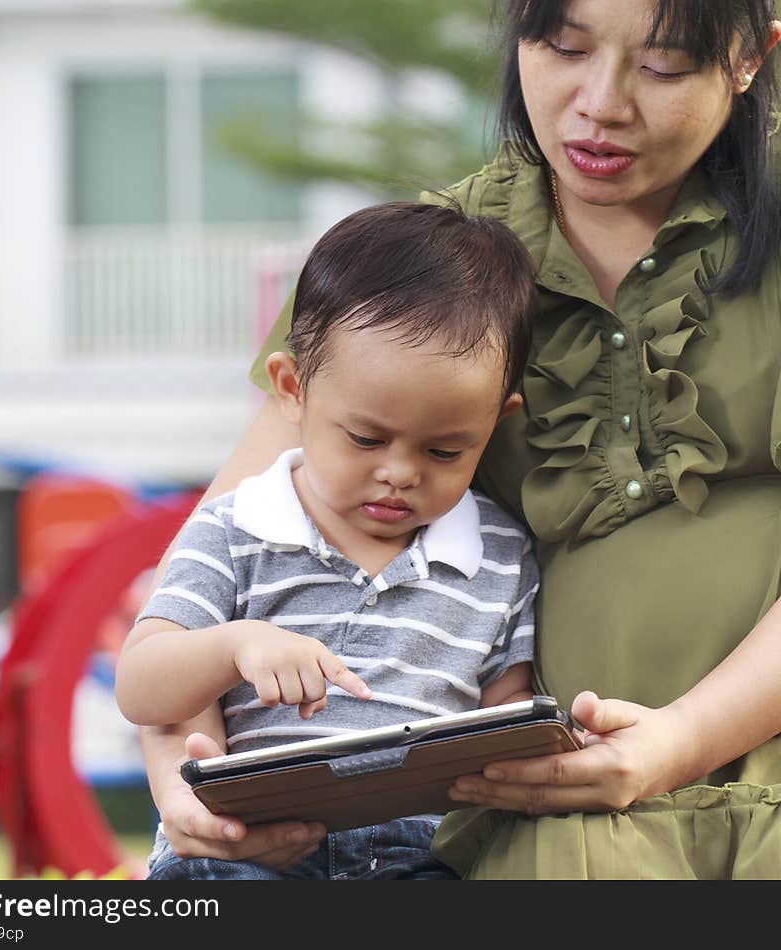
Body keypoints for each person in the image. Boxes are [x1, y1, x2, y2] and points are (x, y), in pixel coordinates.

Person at [136, 0, 781, 879]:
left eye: (663, 66)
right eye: (562, 47)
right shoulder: (414, 273)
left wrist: (680, 741)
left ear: (751, 56)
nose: (602, 104)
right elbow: (219, 570)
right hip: (523, 827)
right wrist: (182, 772)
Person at [115, 201, 540, 879]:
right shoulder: (236, 527)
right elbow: (140, 686)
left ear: (496, 423)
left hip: (419, 851)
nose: (399, 473)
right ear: (292, 390)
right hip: (249, 845)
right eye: (366, 438)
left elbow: (504, 711)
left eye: (445, 450)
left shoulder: (498, 554)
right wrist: (236, 645)